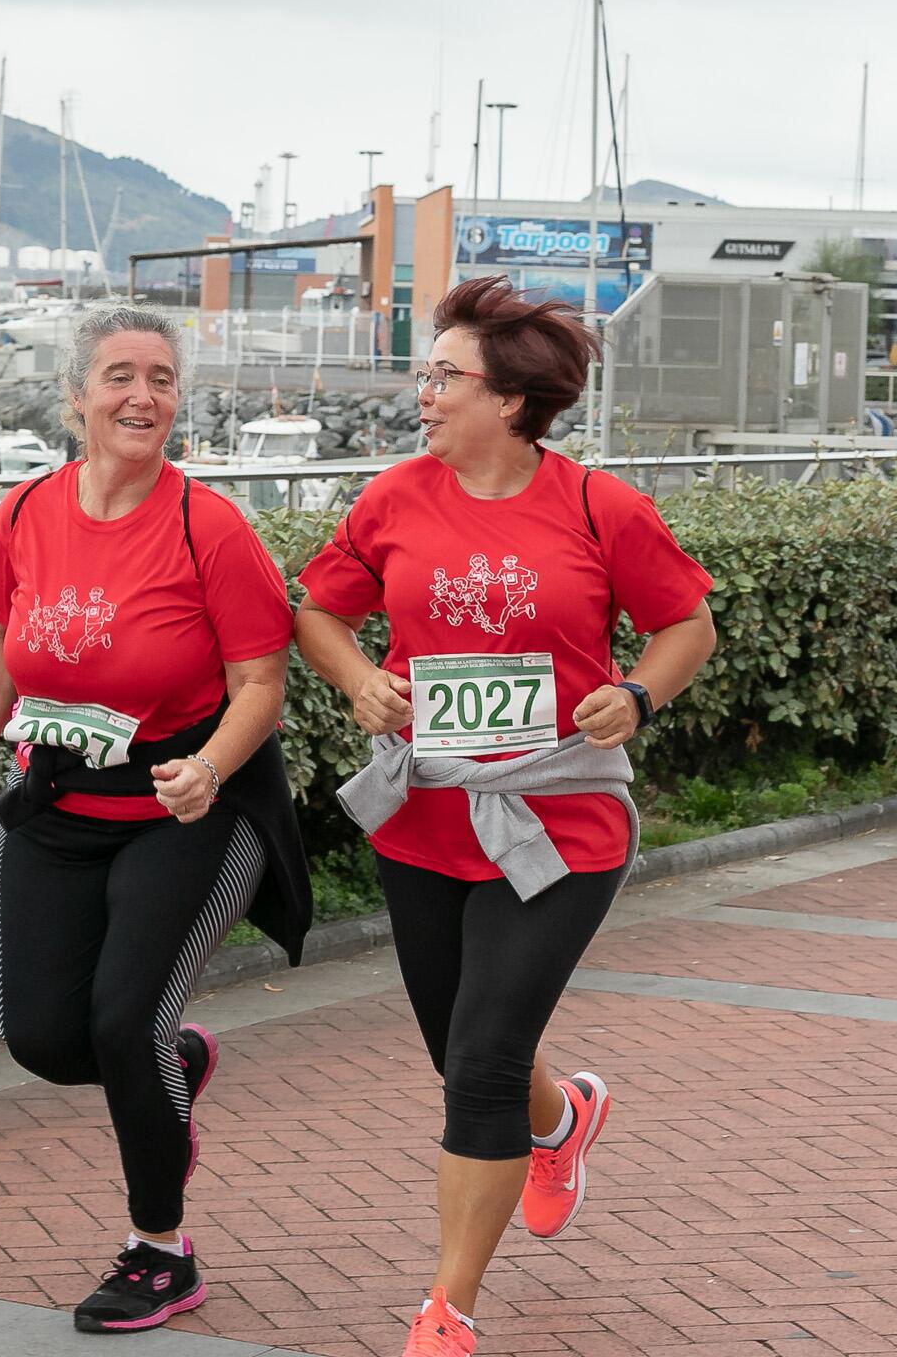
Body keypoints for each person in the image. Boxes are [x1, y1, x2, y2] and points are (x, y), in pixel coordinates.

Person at [293, 276, 717, 1357]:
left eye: (445, 375)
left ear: (513, 397)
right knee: (464, 1049)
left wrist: (638, 694)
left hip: (562, 821)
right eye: (426, 373)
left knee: (480, 1061)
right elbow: (320, 612)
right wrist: (357, 681)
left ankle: (447, 1308)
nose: (424, 392)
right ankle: (561, 1120)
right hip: (425, 818)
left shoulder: (597, 508)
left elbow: (687, 627)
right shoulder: (392, 499)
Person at [0, 299, 312, 1335]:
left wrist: (211, 768)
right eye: (121, 377)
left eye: (163, 379)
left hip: (185, 808)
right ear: (77, 397)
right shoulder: (24, 513)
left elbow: (261, 683)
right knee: (45, 1037)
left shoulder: (208, 526)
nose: (143, 396)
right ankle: (170, 1064)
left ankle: (159, 1250)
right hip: (55, 800)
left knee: (121, 1018)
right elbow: (1, 648)